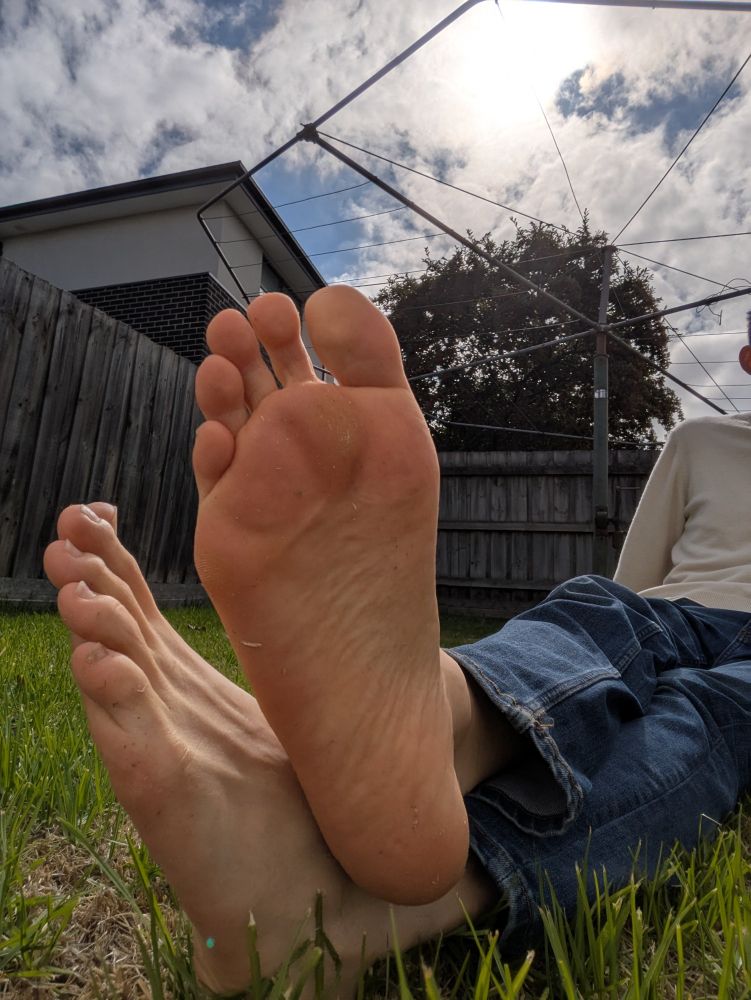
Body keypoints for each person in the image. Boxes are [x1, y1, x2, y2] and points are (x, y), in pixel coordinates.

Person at [43, 287, 751, 997]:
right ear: (748, 359)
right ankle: (449, 723)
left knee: (699, 720)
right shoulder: (702, 441)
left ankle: (335, 900)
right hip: (675, 609)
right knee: (603, 614)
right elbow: (635, 576)